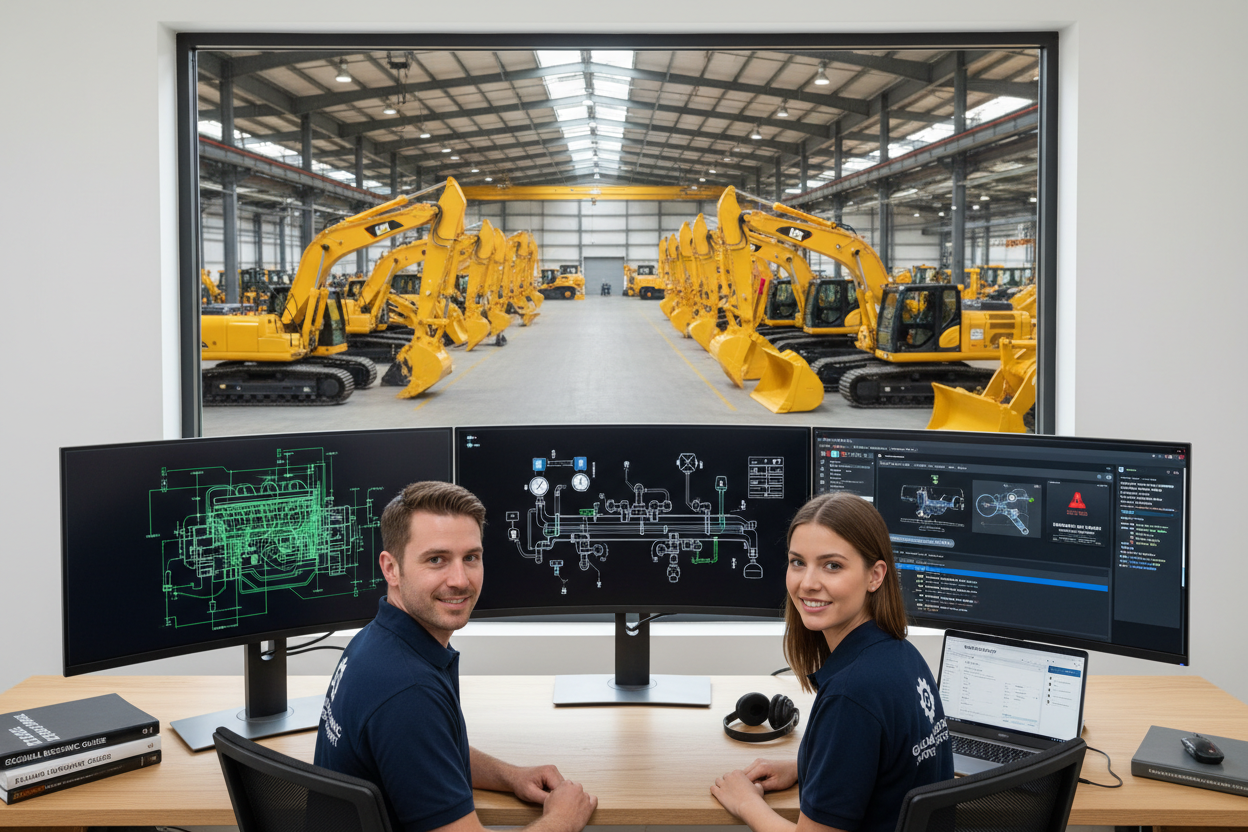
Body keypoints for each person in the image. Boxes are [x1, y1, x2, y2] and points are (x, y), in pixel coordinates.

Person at [315, 481, 598, 832]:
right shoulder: (408, 692)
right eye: (437, 560)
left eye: (471, 558)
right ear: (391, 568)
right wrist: (564, 819)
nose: (460, 580)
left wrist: (509, 776)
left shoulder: (375, 642)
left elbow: (428, 756)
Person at [711, 492, 952, 832]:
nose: (807, 583)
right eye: (797, 562)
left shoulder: (850, 695)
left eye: (832, 565)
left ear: (875, 576)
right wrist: (808, 764)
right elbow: (889, 763)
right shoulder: (903, 656)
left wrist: (745, 802)